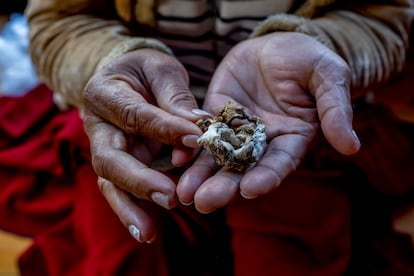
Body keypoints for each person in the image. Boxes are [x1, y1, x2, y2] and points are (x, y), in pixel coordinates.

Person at [25, 0, 414, 275]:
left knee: (294, 255)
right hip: (137, 132)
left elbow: (384, 17)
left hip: (300, 125)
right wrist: (110, 63)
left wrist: (323, 44)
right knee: (119, 256)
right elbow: (60, 22)